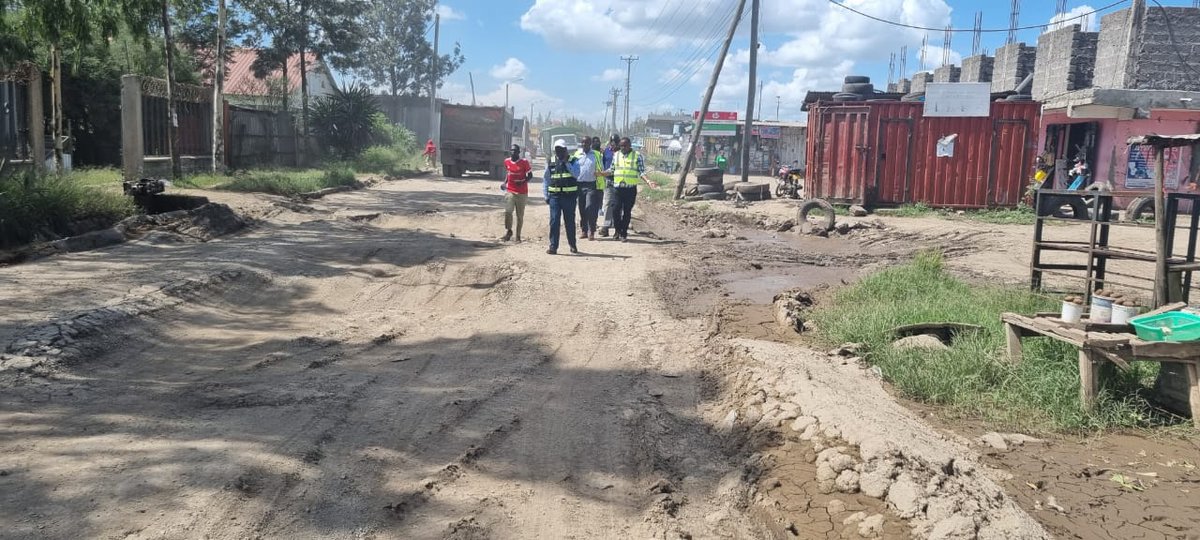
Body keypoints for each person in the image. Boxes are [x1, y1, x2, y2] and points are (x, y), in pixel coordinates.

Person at [609, 137, 654, 242]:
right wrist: (601, 173)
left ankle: (623, 233)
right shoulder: (616, 155)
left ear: (630, 145)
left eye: (625, 146)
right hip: (617, 188)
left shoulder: (637, 156)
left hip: (630, 189)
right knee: (615, 210)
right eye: (621, 146)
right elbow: (612, 170)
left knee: (627, 211)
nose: (623, 148)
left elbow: (641, 172)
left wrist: (648, 181)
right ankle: (617, 230)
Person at [542, 139, 581, 255]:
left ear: (565, 150)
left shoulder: (574, 161)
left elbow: (576, 174)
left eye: (561, 150)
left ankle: (572, 244)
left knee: (569, 222)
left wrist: (566, 163)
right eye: (557, 150)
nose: (559, 152)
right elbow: (546, 179)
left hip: (569, 197)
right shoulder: (551, 161)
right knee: (554, 221)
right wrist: (546, 195)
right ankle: (553, 246)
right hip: (554, 197)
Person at [573, 137, 606, 240]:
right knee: (582, 208)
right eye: (582, 142)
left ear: (590, 143)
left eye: (586, 142)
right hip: (579, 185)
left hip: (591, 185)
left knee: (590, 207)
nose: (584, 144)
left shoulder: (596, 155)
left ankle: (591, 230)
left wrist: (599, 175)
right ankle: (584, 230)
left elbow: (601, 168)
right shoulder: (577, 154)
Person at [501, 144, 532, 242]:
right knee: (508, 211)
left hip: (522, 193)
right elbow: (508, 173)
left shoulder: (524, 162)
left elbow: (530, 175)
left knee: (520, 216)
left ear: (519, 152)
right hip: (510, 190)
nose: (513, 152)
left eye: (515, 150)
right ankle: (509, 231)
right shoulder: (507, 161)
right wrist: (504, 183)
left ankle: (518, 236)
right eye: (511, 150)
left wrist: (522, 181)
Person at [599, 134, 620, 237]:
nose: (613, 144)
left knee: (618, 205)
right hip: (609, 180)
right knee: (607, 203)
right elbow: (603, 165)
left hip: (620, 181)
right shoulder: (606, 151)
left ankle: (618, 229)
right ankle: (606, 226)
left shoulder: (622, 152)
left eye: (615, 142)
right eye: (612, 141)